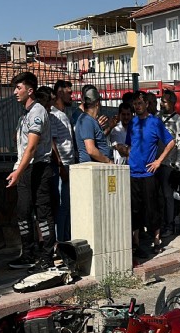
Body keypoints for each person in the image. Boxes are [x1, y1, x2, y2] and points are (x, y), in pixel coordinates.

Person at [6, 71, 56, 271]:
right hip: (25, 168)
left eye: (18, 88)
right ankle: (28, 252)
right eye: (15, 88)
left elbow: (33, 147)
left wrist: (18, 173)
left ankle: (47, 256)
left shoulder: (37, 111)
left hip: (38, 167)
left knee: (42, 212)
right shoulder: (24, 115)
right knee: (23, 212)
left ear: (30, 90)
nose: (15, 92)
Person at [128, 91, 175, 257]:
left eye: (140, 103)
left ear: (147, 104)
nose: (137, 107)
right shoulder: (132, 123)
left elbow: (171, 142)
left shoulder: (155, 122)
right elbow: (129, 145)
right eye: (135, 104)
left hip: (149, 173)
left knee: (152, 209)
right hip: (133, 172)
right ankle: (136, 244)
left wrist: (159, 161)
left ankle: (156, 241)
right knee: (135, 210)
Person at [50, 80, 76, 242]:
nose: (71, 95)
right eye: (68, 92)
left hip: (69, 164)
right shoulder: (53, 115)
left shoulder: (64, 114)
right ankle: (60, 242)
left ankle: (66, 239)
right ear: (59, 93)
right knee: (61, 206)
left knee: (67, 206)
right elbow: (53, 143)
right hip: (62, 166)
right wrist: (60, 166)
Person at [159, 90, 180, 237]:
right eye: (161, 100)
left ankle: (169, 225)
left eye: (164, 101)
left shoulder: (178, 120)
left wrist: (178, 165)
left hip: (169, 165)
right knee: (158, 197)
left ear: (172, 103)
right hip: (155, 163)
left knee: (168, 196)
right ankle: (160, 224)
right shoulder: (157, 118)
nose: (161, 103)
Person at [74, 87, 112, 164]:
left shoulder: (90, 120)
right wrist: (108, 161)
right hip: (91, 168)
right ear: (97, 103)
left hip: (96, 166)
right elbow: (91, 150)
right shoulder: (86, 121)